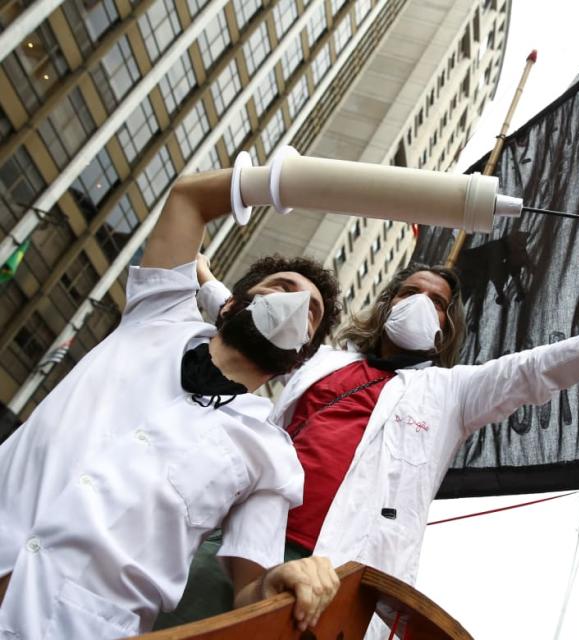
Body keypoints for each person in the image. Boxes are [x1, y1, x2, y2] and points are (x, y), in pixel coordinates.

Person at [175, 247, 579, 635]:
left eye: (437, 301)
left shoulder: (456, 392)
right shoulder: (317, 359)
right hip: (241, 548)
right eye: (410, 292)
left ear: (449, 325)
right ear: (387, 305)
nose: (421, 305)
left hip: (343, 581)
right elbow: (238, 314)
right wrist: (194, 263)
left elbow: (547, 367)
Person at [0, 170, 344, 639]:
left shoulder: (272, 457)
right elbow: (187, 197)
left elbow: (250, 593)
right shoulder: (157, 314)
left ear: (301, 354)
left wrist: (284, 582)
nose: (297, 301)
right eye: (283, 286)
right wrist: (288, 181)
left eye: (311, 310)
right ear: (231, 302)